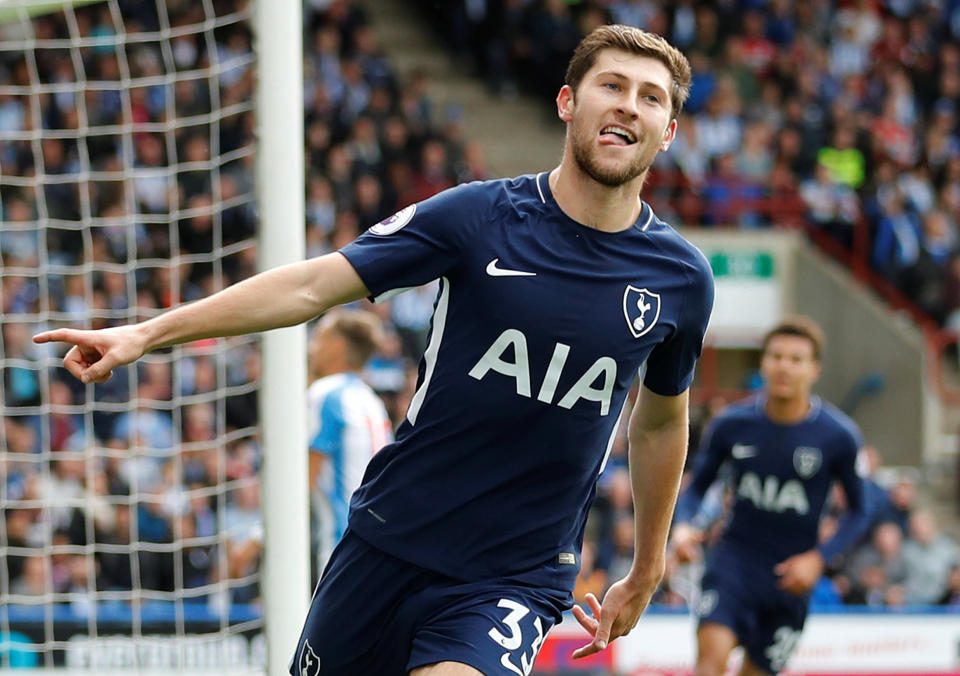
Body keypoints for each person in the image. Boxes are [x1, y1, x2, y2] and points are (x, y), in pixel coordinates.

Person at [34, 25, 713, 676]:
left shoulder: (679, 280)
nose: (629, 104)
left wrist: (647, 565)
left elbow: (659, 421)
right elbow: (310, 286)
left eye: (651, 96)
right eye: (612, 85)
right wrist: (145, 333)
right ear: (568, 103)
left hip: (513, 575)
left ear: (669, 131)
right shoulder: (479, 217)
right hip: (389, 541)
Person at [670, 316, 868, 676]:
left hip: (791, 579)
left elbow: (858, 512)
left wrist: (818, 559)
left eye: (795, 359)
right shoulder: (731, 424)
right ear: (763, 363)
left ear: (815, 370)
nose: (784, 366)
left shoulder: (839, 436)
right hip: (733, 564)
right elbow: (697, 487)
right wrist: (683, 527)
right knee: (709, 663)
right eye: (776, 356)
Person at [305, 308, 393, 578]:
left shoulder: (325, 393)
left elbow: (304, 480)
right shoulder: (372, 402)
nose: (311, 348)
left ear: (337, 346)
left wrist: (257, 538)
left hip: (341, 544)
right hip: (381, 543)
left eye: (318, 338)